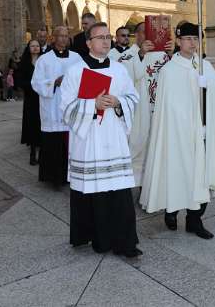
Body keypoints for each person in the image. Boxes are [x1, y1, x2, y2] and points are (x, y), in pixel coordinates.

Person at [140, 23, 215, 239]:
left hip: (203, 131)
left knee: (200, 175)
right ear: (179, 41)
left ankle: (194, 219)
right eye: (188, 38)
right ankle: (171, 210)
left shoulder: (204, 66)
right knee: (178, 171)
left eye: (196, 39)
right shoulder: (170, 70)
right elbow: (169, 106)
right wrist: (193, 87)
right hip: (178, 133)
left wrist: (208, 86)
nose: (192, 43)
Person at [60, 22, 142, 258]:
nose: (106, 41)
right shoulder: (75, 71)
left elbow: (132, 97)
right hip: (89, 140)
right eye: (100, 37)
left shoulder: (119, 70)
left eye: (108, 36)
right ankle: (98, 238)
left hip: (113, 136)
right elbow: (65, 108)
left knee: (118, 190)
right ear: (88, 43)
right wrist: (91, 104)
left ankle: (124, 242)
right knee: (93, 190)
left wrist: (119, 102)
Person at [123, 21, 173, 185]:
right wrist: (141, 55)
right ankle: (134, 185)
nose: (148, 36)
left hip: (160, 111)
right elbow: (125, 76)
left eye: (152, 32)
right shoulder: (128, 55)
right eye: (144, 32)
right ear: (136, 35)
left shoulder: (163, 55)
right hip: (139, 112)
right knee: (139, 148)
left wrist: (173, 54)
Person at [32, 26, 82, 187]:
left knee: (70, 145)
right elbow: (36, 83)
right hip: (52, 106)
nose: (63, 39)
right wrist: (54, 82)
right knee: (53, 145)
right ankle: (52, 177)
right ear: (53, 38)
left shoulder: (76, 58)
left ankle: (70, 176)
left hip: (70, 106)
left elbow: (84, 78)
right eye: (60, 36)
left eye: (66, 36)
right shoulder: (44, 60)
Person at [18, 40, 42, 166]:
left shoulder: (44, 61)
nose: (35, 48)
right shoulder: (24, 63)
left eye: (37, 46)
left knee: (42, 124)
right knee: (32, 125)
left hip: (43, 98)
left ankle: (43, 154)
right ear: (29, 48)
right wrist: (31, 85)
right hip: (31, 98)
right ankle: (33, 154)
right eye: (32, 46)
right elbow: (20, 80)